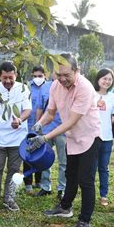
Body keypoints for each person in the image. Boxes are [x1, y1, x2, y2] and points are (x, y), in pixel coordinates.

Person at [31, 53, 101, 227]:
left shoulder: (85, 88)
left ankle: (85, 221)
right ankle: (65, 207)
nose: (62, 79)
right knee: (70, 174)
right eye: (58, 74)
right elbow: (51, 113)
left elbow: (70, 121)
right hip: (71, 137)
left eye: (66, 75)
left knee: (85, 180)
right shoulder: (55, 85)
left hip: (89, 137)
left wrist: (45, 138)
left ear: (77, 71)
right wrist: (40, 124)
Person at [0, 62, 32, 211]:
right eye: (4, 77)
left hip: (18, 139)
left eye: (10, 77)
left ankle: (9, 199)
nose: (7, 81)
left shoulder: (23, 89)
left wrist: (19, 120)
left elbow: (28, 110)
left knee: (14, 170)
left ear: (15, 76)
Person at [33, 68, 66, 201]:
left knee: (64, 162)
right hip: (46, 130)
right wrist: (38, 124)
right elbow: (40, 108)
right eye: (56, 72)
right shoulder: (45, 87)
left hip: (63, 130)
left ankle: (62, 188)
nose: (59, 75)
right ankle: (45, 186)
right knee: (45, 159)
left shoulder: (68, 88)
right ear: (52, 73)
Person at [93, 68, 114, 206]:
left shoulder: (113, 97)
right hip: (92, 136)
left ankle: (104, 195)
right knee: (90, 167)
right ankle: (89, 193)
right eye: (104, 78)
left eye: (109, 79)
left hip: (107, 137)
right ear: (98, 79)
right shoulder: (91, 94)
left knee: (104, 167)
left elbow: (112, 116)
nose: (107, 81)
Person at [24, 66, 49, 193]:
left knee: (39, 153)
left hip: (43, 126)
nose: (37, 78)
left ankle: (38, 181)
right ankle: (28, 182)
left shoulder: (49, 88)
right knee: (28, 153)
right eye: (35, 76)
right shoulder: (27, 87)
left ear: (45, 75)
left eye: (40, 76)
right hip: (28, 125)